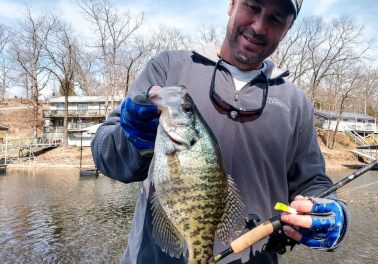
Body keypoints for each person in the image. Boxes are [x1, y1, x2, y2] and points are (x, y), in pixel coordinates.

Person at [91, 0, 350, 263]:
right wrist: (133, 140)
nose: (259, 26)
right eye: (253, 6)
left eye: (276, 18)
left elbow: (312, 182)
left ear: (288, 27)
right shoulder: (168, 67)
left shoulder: (297, 103)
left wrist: (331, 215)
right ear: (232, 4)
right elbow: (107, 160)